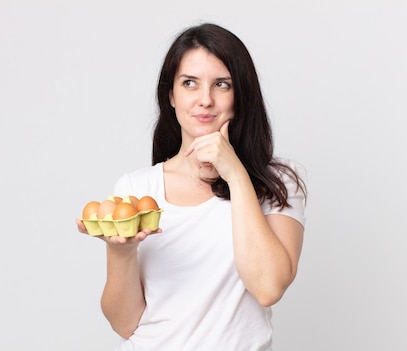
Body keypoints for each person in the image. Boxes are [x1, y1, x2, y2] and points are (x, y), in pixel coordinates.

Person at [76, 22, 307, 351]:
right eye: (189, 83)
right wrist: (121, 252)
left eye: (222, 85)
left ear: (240, 95)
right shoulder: (138, 187)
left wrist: (236, 174)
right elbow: (124, 324)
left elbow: (269, 287)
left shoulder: (279, 182)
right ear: (171, 95)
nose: (205, 100)